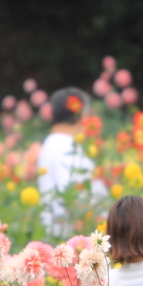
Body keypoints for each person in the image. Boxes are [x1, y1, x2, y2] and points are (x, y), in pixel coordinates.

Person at [36, 88, 108, 238]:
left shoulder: (51, 144)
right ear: (83, 115)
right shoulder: (66, 148)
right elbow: (75, 202)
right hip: (78, 242)